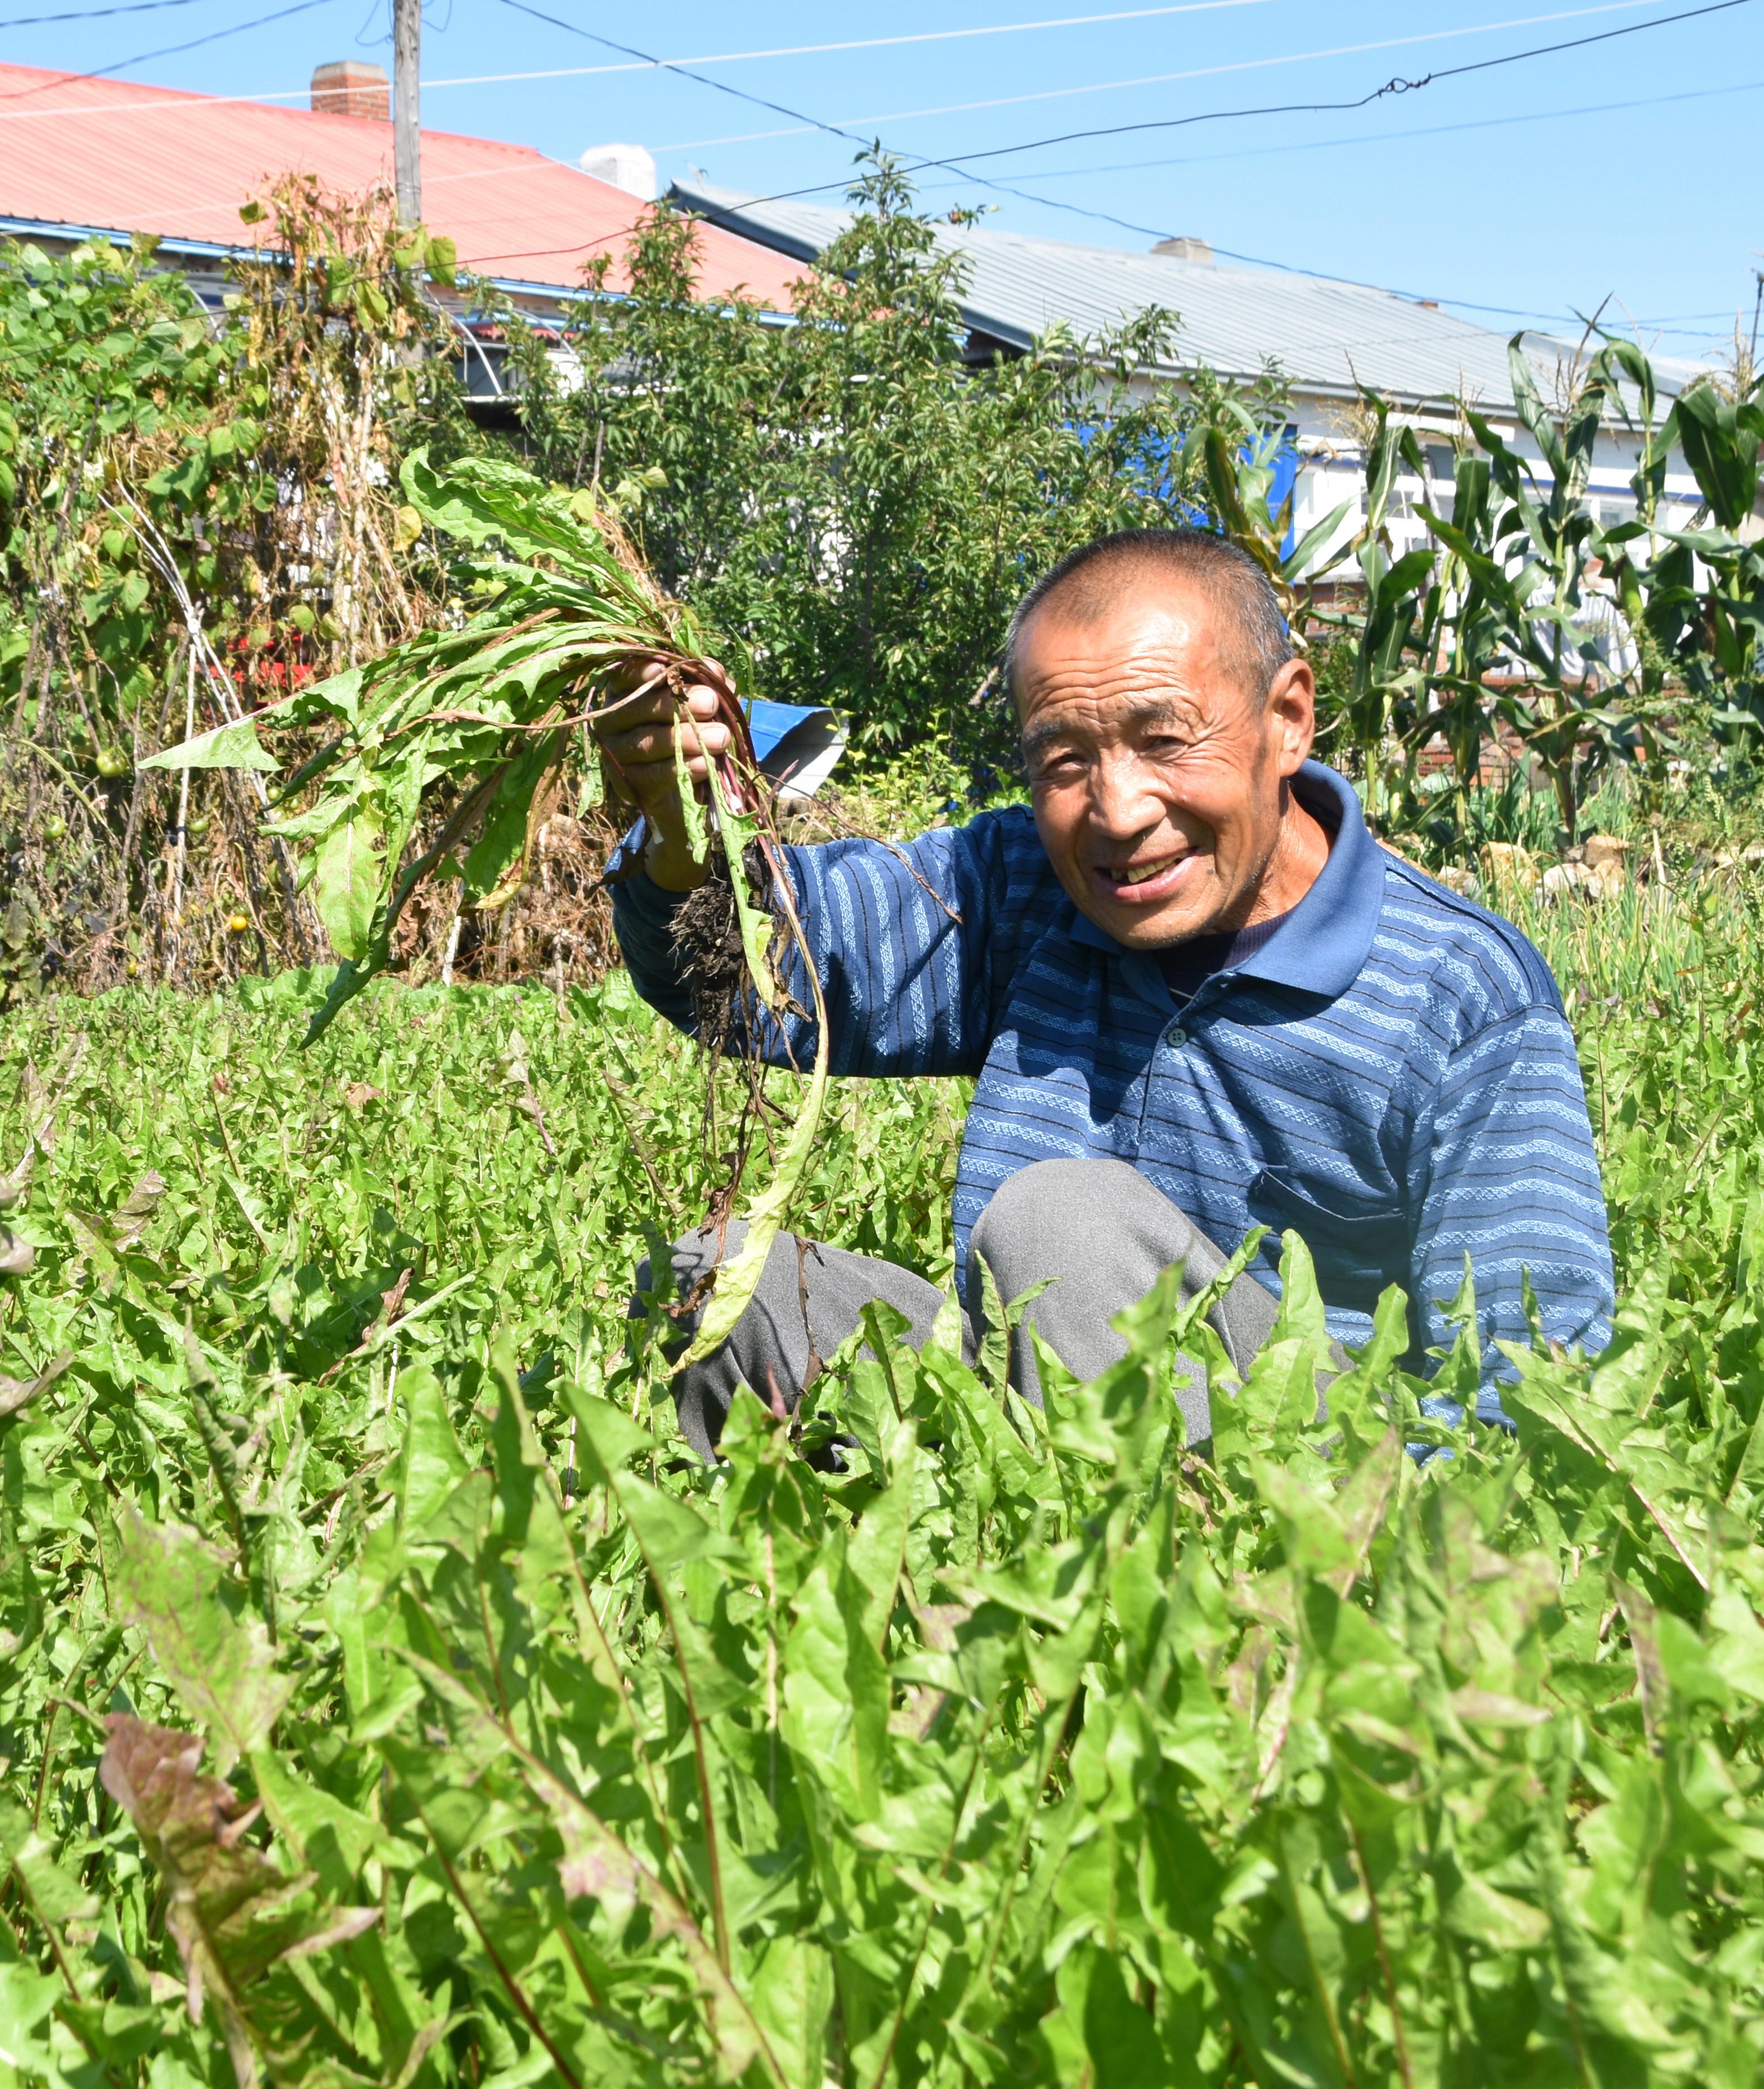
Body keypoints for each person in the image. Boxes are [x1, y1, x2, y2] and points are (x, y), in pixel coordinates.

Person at [597, 528, 1615, 1459]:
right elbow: (766, 971)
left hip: (1300, 1506)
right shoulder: (1026, 886)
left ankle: (1128, 1633)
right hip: (1034, 1415)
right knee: (724, 1286)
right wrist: (684, 825)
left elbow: (1527, 1392)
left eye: (1167, 740)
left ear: (1288, 719)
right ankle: (788, 1624)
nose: (1118, 814)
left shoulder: (1456, 992)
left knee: (1061, 1222)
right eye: (1065, 761)